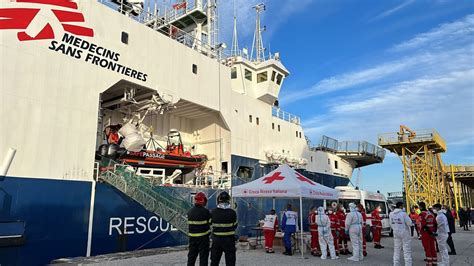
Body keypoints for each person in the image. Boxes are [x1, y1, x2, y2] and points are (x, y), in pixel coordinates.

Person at [210, 191, 238, 266]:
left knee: (214, 261)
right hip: (229, 240)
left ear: (218, 201)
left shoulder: (213, 212)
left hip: (216, 240)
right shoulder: (232, 213)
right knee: (230, 261)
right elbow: (235, 225)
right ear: (228, 200)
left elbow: (210, 223)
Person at [187, 192, 211, 266]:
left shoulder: (190, 212)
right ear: (203, 200)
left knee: (191, 257)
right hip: (203, 239)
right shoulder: (206, 212)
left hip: (192, 238)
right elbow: (210, 223)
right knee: (203, 258)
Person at [389, 202, 413, 266]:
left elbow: (391, 224)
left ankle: (396, 263)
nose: (403, 207)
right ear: (400, 206)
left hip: (396, 232)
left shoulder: (391, 214)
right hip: (404, 232)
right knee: (406, 250)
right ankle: (408, 264)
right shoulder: (403, 214)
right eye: (402, 206)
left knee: (396, 249)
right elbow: (410, 223)